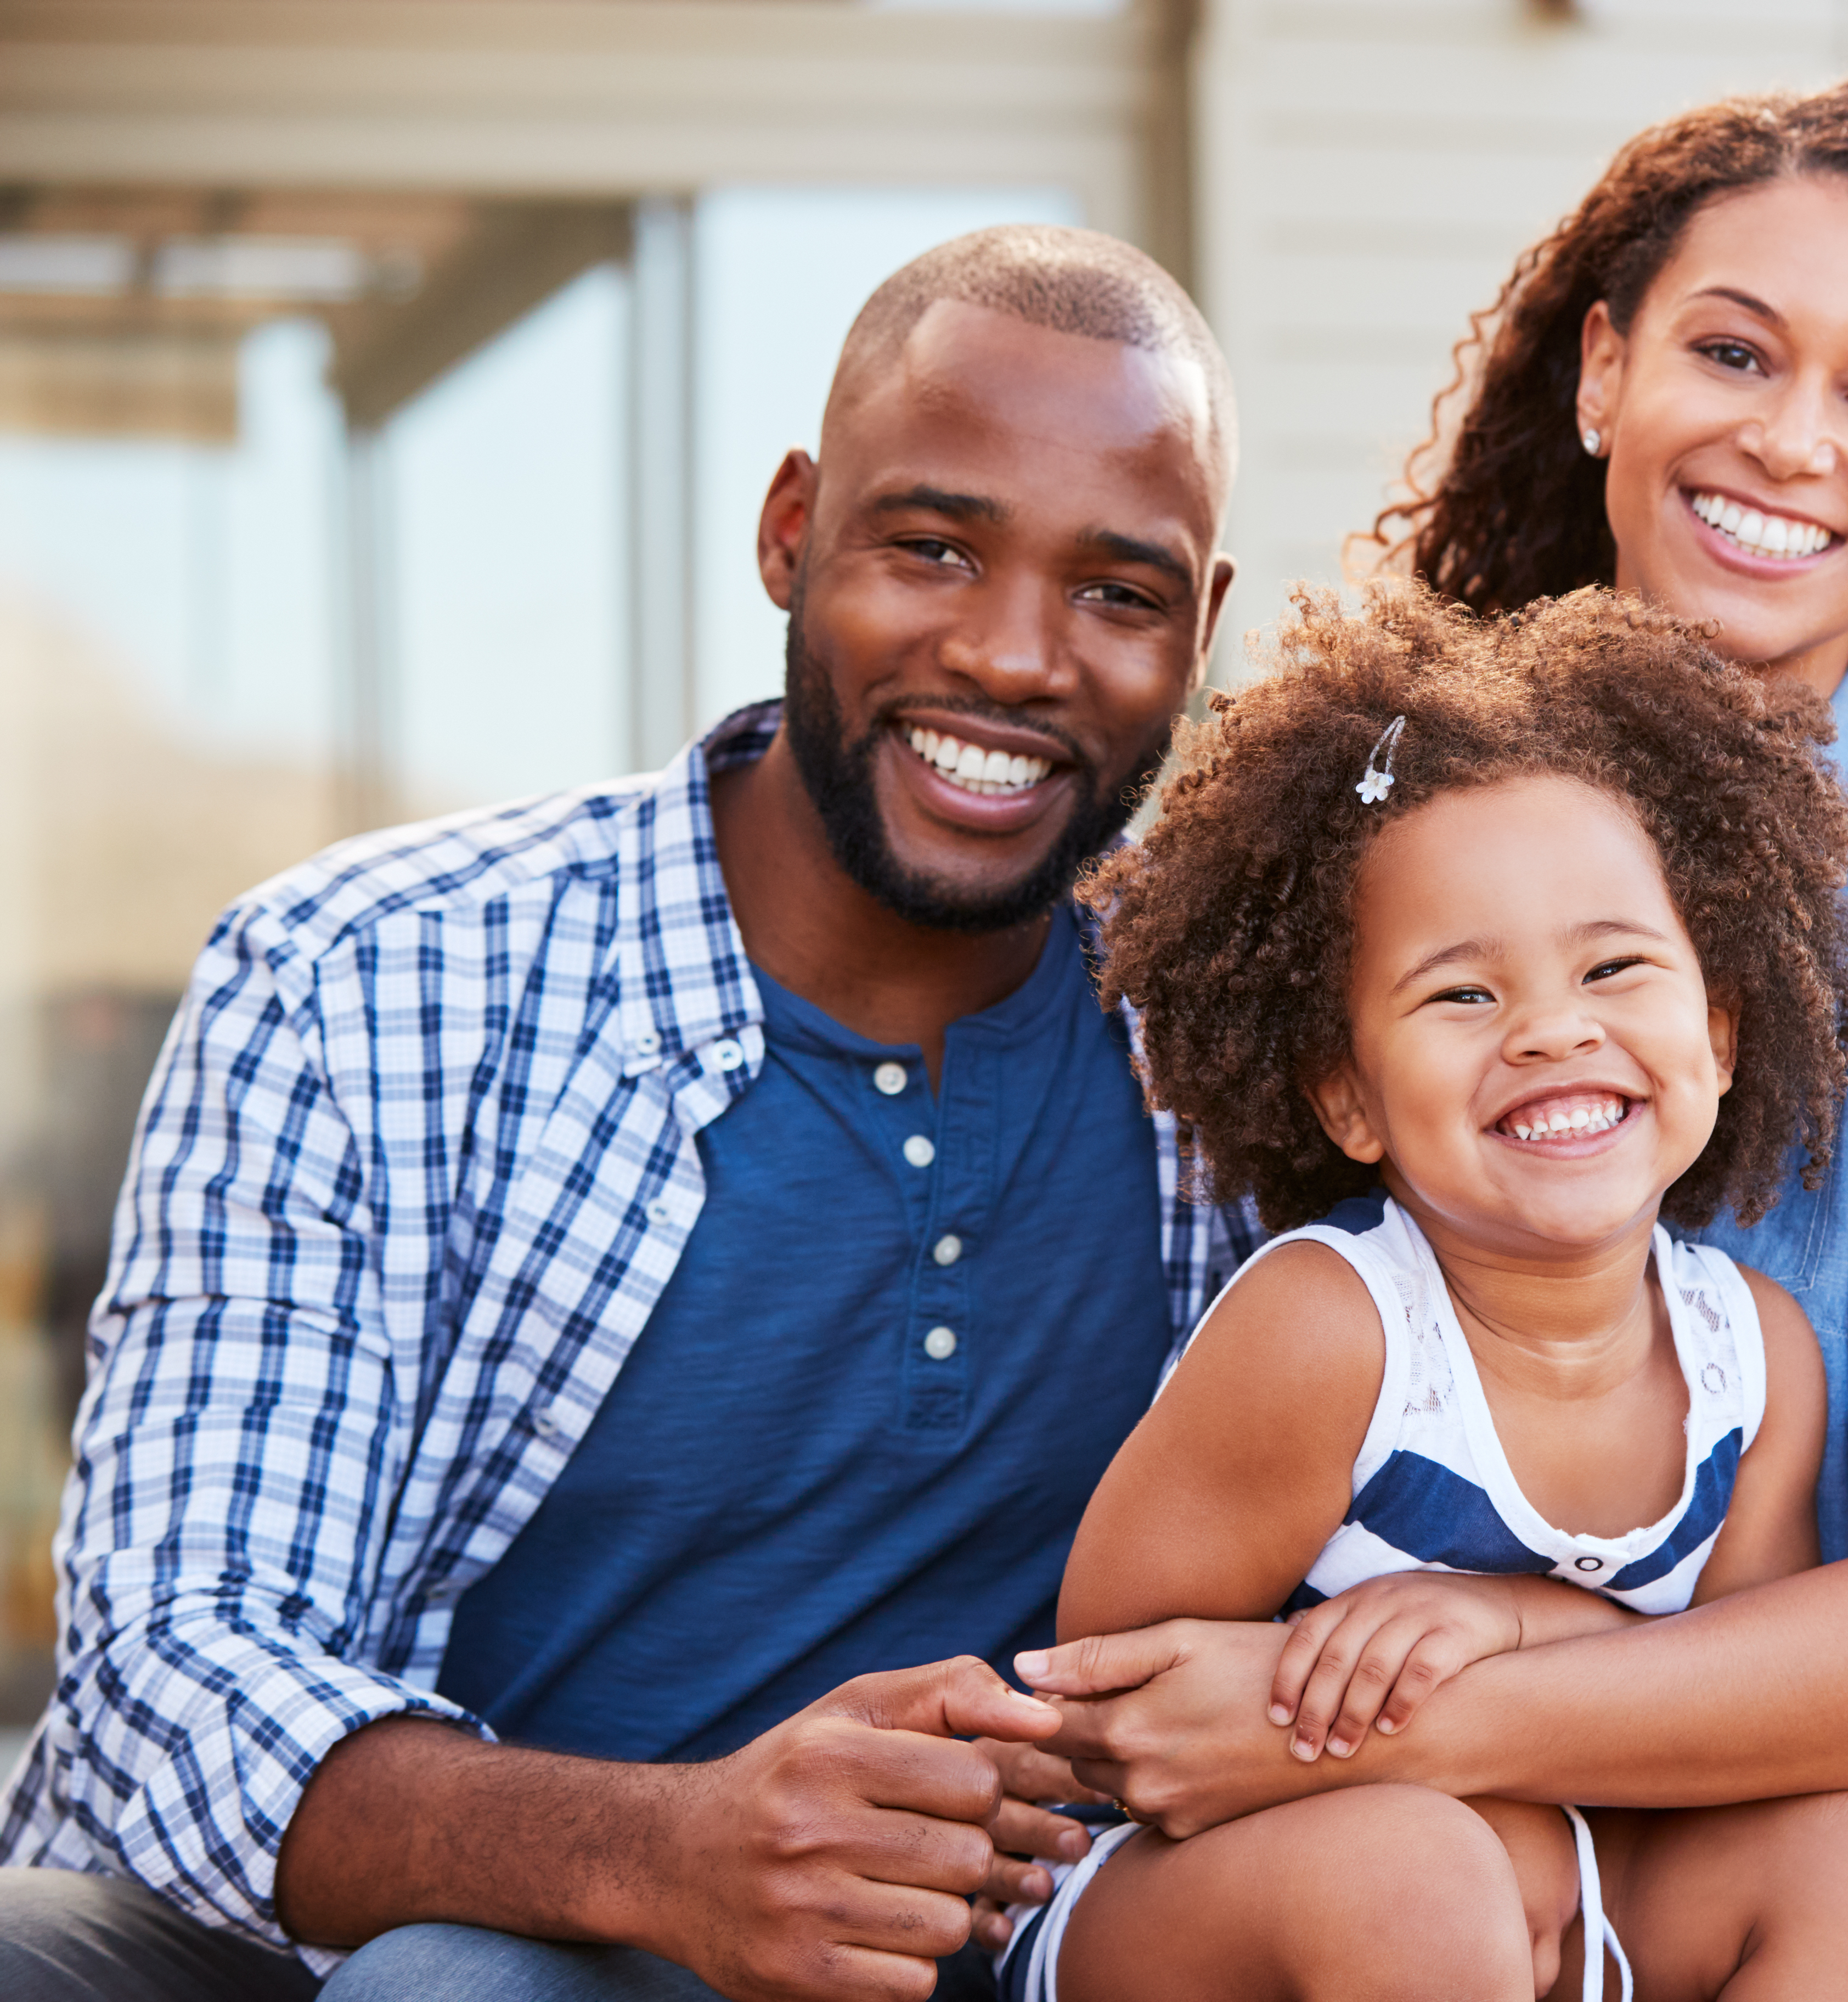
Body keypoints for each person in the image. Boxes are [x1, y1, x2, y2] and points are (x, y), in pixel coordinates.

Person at [1016, 78, 1848, 2000]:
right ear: (1605, 369)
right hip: (1372, 1912)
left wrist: (1382, 1706)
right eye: (1732, 350)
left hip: (1822, 1932)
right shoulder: (1388, 835)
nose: (1791, 441)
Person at [0, 224, 1260, 2002]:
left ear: (1201, 629)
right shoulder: (362, 985)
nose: (1013, 656)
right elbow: (173, 1672)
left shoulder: (1242, 1056)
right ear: (788, 530)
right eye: (931, 548)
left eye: (1118, 594)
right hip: (447, 1931)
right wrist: (666, 1856)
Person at [1011, 584, 1848, 2002]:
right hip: (1205, 1917)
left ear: (1724, 1028)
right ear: (1347, 1095)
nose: (1556, 1030)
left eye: (1616, 967)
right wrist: (1428, 1768)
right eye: (1462, 996)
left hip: (1567, 1890)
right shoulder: (1335, 1333)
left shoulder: (1756, 1364)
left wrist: (1517, 1629)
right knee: (1421, 1879)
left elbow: (1742, 1718)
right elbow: (1113, 1705)